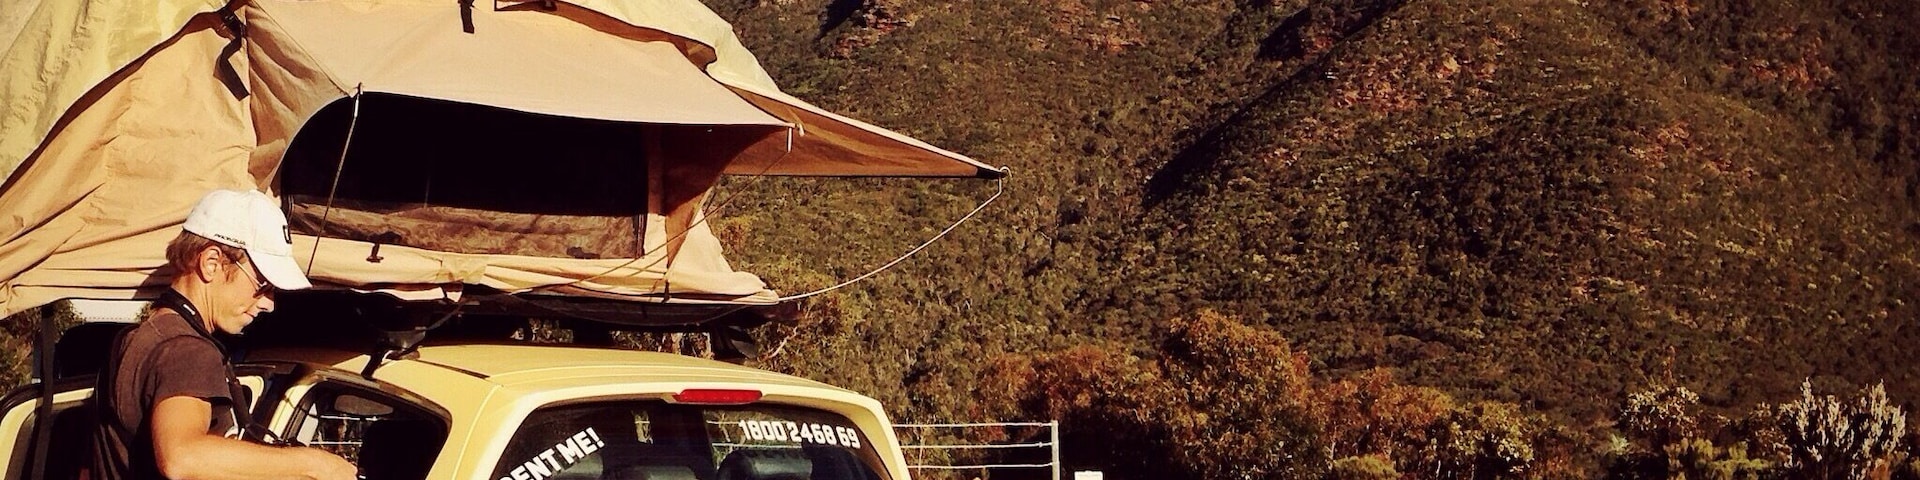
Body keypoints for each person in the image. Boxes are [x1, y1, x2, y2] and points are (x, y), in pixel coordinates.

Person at [90, 189, 358, 480]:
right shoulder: (188, 351)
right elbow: (182, 457)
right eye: (264, 284)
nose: (269, 303)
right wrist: (314, 466)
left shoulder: (137, 338)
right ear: (212, 263)